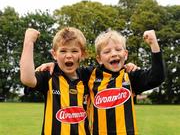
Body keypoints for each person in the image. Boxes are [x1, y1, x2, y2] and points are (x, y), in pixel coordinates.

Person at [37, 29, 165, 135]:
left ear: (125, 54)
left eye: (118, 50)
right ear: (99, 58)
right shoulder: (90, 74)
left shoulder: (130, 75)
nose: (114, 54)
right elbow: (69, 68)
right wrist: (54, 64)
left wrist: (153, 44)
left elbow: (157, 77)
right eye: (107, 51)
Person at [20, 27, 91, 135]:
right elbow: (27, 79)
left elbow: (113, 69)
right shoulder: (49, 75)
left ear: (82, 54)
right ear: (54, 54)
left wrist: (127, 66)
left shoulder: (89, 76)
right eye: (63, 51)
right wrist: (28, 42)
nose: (68, 55)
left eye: (74, 51)